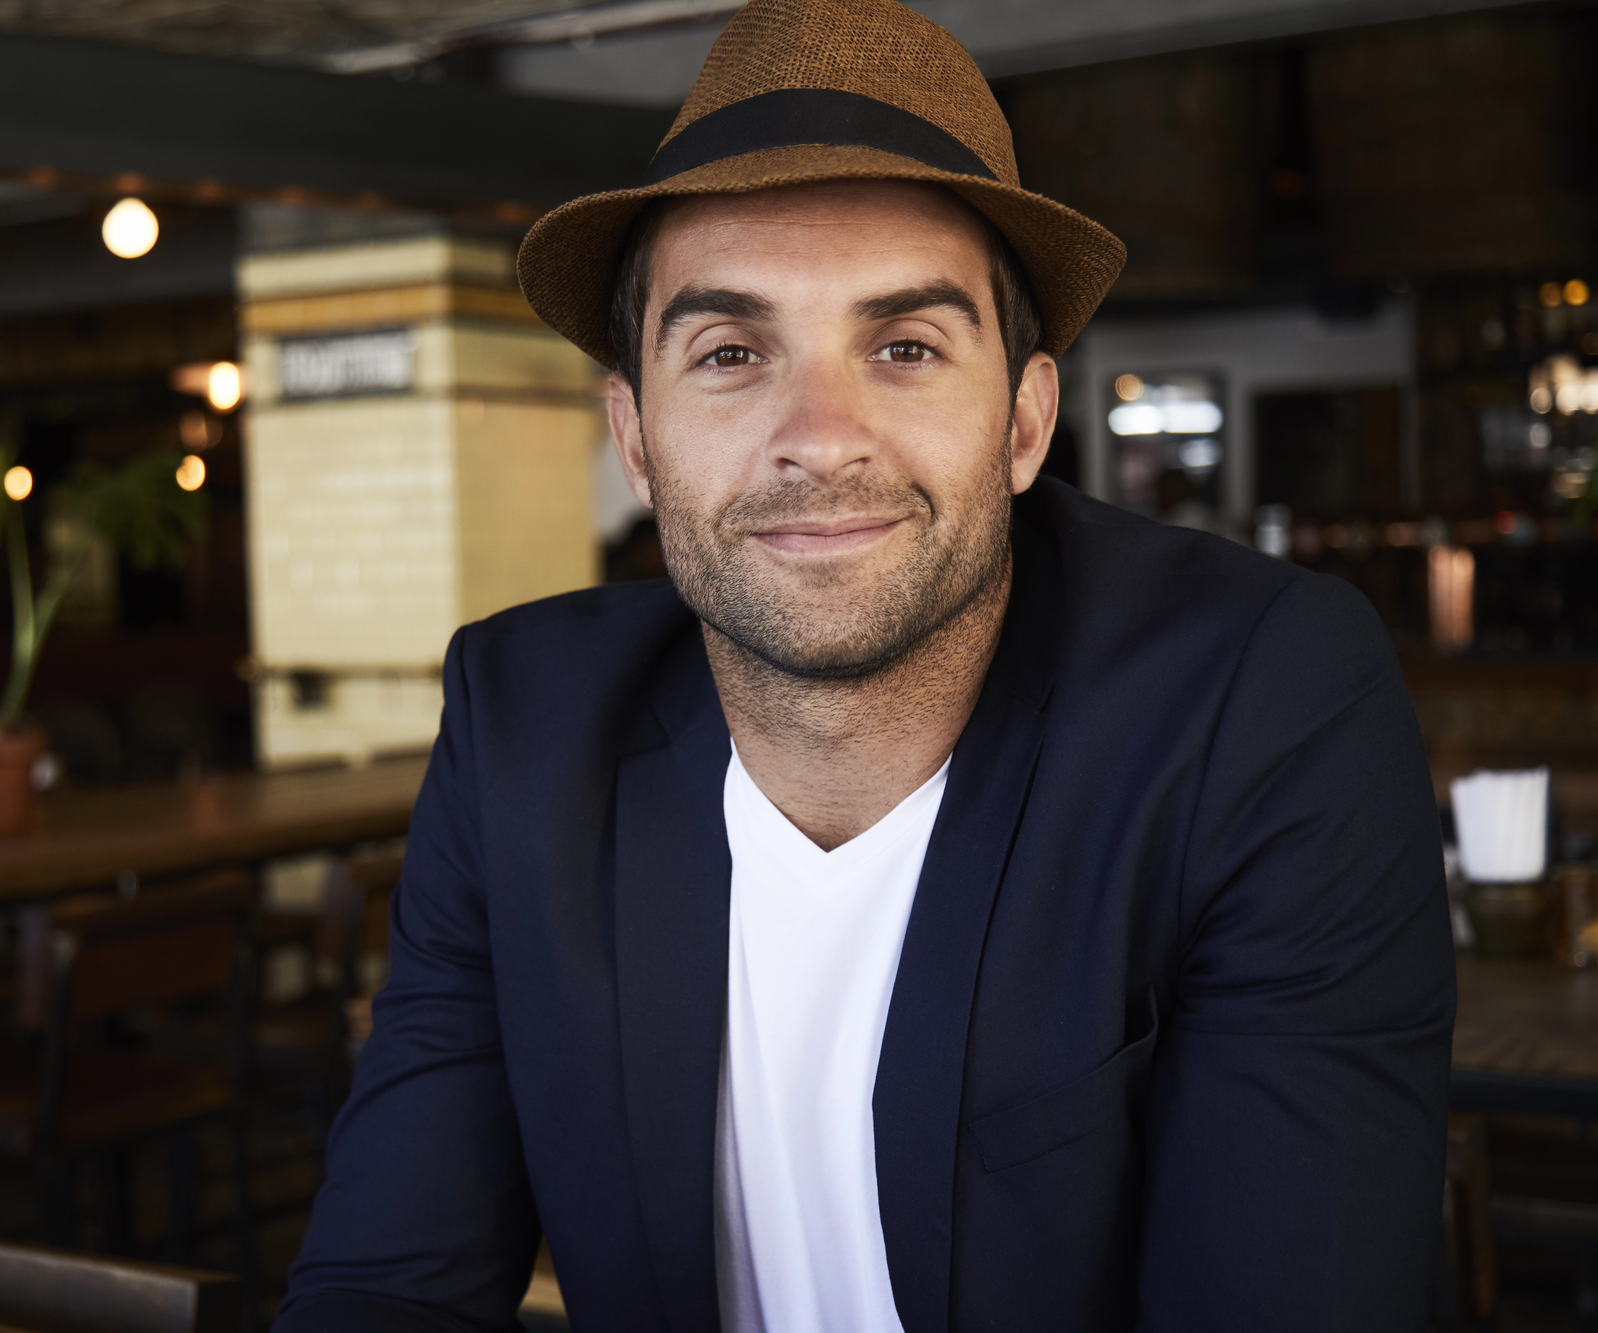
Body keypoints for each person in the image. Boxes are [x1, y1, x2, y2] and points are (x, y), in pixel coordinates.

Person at [277, 0, 1455, 1328]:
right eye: (730, 353)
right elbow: (385, 1286)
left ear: (1021, 420)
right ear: (637, 434)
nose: (818, 437)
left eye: (903, 347)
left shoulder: (1258, 701)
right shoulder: (523, 732)